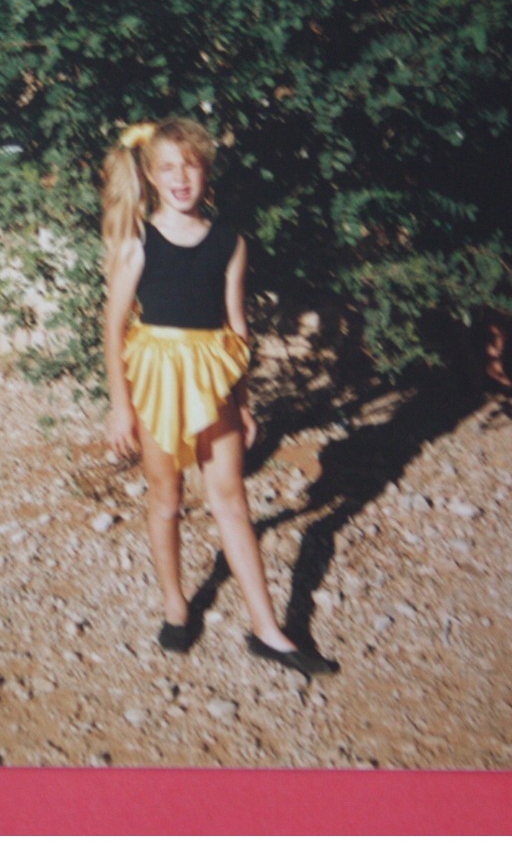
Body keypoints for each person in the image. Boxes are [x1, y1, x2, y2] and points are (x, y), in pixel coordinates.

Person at [101, 118, 337, 677]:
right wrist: (119, 404)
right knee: (167, 497)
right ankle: (176, 604)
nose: (180, 177)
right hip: (157, 376)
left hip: (214, 381)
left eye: (190, 165)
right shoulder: (138, 242)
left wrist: (245, 399)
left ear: (206, 170)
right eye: (168, 168)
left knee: (231, 498)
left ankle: (267, 629)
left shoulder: (231, 243)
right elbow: (112, 328)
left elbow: (237, 332)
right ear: (152, 178)